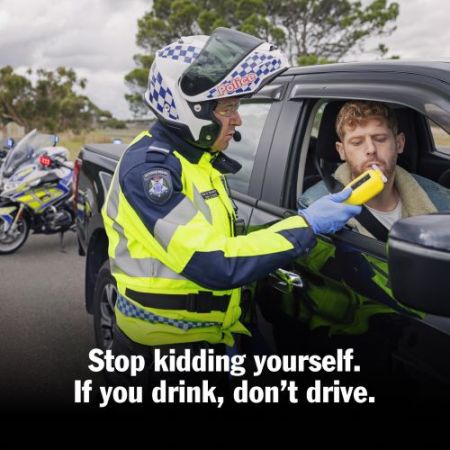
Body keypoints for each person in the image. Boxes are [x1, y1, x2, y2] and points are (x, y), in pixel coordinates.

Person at [101, 28, 360, 386]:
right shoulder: (152, 171)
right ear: (192, 108)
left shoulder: (198, 160)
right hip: (165, 353)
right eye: (227, 108)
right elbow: (214, 261)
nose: (237, 119)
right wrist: (306, 226)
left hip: (211, 337)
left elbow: (225, 236)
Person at [300, 100, 450, 238]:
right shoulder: (315, 207)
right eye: (357, 142)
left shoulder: (440, 201)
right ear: (342, 151)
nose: (371, 149)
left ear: (399, 143)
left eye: (380, 139)